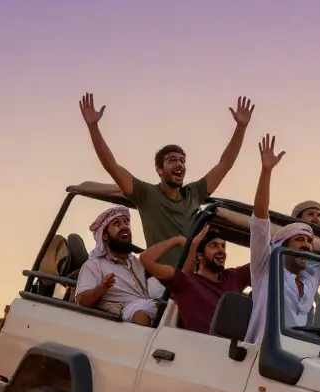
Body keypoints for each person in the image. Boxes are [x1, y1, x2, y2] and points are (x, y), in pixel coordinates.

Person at [79, 92, 254, 268]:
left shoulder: (194, 193)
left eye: (182, 161)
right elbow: (112, 166)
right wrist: (93, 126)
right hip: (161, 283)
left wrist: (241, 127)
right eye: (172, 160)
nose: (179, 164)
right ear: (160, 170)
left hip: (191, 277)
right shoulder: (146, 194)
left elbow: (224, 165)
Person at [245, 134, 320, 344]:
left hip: (294, 363)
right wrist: (266, 171)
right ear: (282, 244)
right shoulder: (266, 268)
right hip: (258, 359)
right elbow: (260, 219)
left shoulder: (310, 279)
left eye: (309, 242)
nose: (306, 245)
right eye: (299, 240)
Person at [140, 224, 251, 334]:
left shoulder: (233, 277)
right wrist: (177, 240)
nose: (221, 250)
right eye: (214, 246)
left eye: (223, 246)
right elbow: (146, 259)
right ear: (199, 256)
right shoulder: (186, 282)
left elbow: (263, 263)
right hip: (199, 347)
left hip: (239, 347)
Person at [74, 206, 165, 325]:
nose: (124, 227)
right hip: (124, 312)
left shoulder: (137, 262)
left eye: (126, 222)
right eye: (117, 224)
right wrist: (102, 288)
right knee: (141, 312)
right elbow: (82, 300)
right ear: (105, 236)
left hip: (151, 303)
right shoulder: (94, 265)